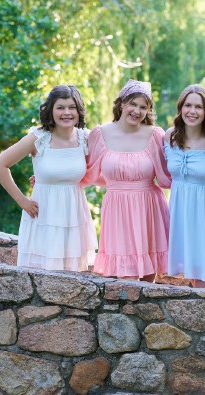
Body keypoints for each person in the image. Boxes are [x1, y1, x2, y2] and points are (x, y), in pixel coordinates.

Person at [0, 85, 97, 271]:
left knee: (74, 282)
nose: (67, 112)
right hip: (43, 216)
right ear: (51, 110)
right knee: (40, 280)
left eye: (72, 107)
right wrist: (22, 200)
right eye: (60, 107)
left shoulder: (86, 138)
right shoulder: (38, 138)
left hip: (74, 217)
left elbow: (101, 171)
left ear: (79, 111)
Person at [83, 79, 171, 282]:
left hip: (149, 208)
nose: (137, 111)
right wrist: (48, 179)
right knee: (122, 277)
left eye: (143, 107)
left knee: (148, 280)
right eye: (133, 104)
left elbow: (167, 175)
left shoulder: (155, 135)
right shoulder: (100, 134)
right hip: (117, 208)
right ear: (122, 103)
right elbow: (87, 171)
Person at [164, 84, 205, 288]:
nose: (192, 111)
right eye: (188, 105)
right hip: (181, 213)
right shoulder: (170, 136)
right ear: (181, 108)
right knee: (192, 275)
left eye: (198, 107)